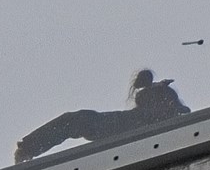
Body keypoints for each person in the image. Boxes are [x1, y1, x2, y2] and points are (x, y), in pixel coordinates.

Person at [14, 69, 192, 164]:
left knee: (76, 120)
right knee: (76, 120)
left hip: (124, 129)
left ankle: (28, 149)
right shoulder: (136, 118)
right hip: (119, 127)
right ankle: (27, 149)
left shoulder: (169, 115)